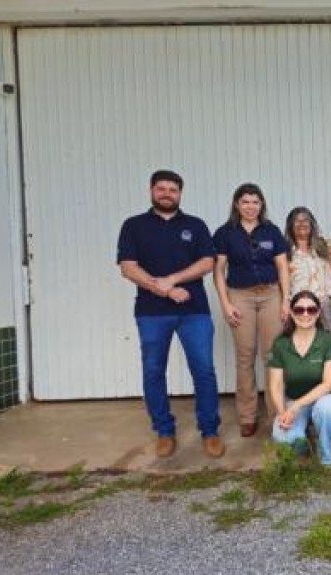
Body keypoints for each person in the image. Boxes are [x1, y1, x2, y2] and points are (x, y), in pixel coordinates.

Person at [116, 169, 224, 459]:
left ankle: (210, 431)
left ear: (180, 194)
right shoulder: (134, 226)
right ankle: (164, 431)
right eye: (161, 189)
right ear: (151, 190)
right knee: (153, 371)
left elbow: (207, 262)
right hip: (151, 313)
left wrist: (172, 280)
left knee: (204, 370)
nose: (167, 194)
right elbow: (128, 267)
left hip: (194, 311)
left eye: (172, 190)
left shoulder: (195, 225)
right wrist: (165, 290)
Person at [212, 183, 291, 438]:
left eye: (255, 202)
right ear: (237, 204)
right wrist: (226, 303)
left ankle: (276, 413)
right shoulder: (225, 233)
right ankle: (247, 416)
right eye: (245, 202)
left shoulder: (271, 231)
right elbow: (218, 271)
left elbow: (282, 267)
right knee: (245, 356)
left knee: (272, 356)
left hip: (270, 295)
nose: (250, 206)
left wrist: (286, 301)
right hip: (240, 296)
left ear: (261, 205)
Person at [266, 291, 331, 466]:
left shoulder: (329, 340)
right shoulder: (281, 343)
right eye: (299, 310)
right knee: (284, 441)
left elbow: (329, 384)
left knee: (329, 407)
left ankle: (326, 457)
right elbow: (276, 385)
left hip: (324, 400)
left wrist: (296, 406)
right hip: (294, 401)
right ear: (292, 313)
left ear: (318, 313)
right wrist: (282, 413)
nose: (305, 314)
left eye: (311, 309)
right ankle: (305, 437)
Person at [285, 206, 331, 390]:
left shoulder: (324, 246)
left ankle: (328, 389)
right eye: (297, 221)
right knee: (302, 348)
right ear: (290, 225)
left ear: (312, 224)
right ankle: (304, 390)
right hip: (300, 308)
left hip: (324, 304)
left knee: (326, 347)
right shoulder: (286, 251)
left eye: (305, 220)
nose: (302, 224)